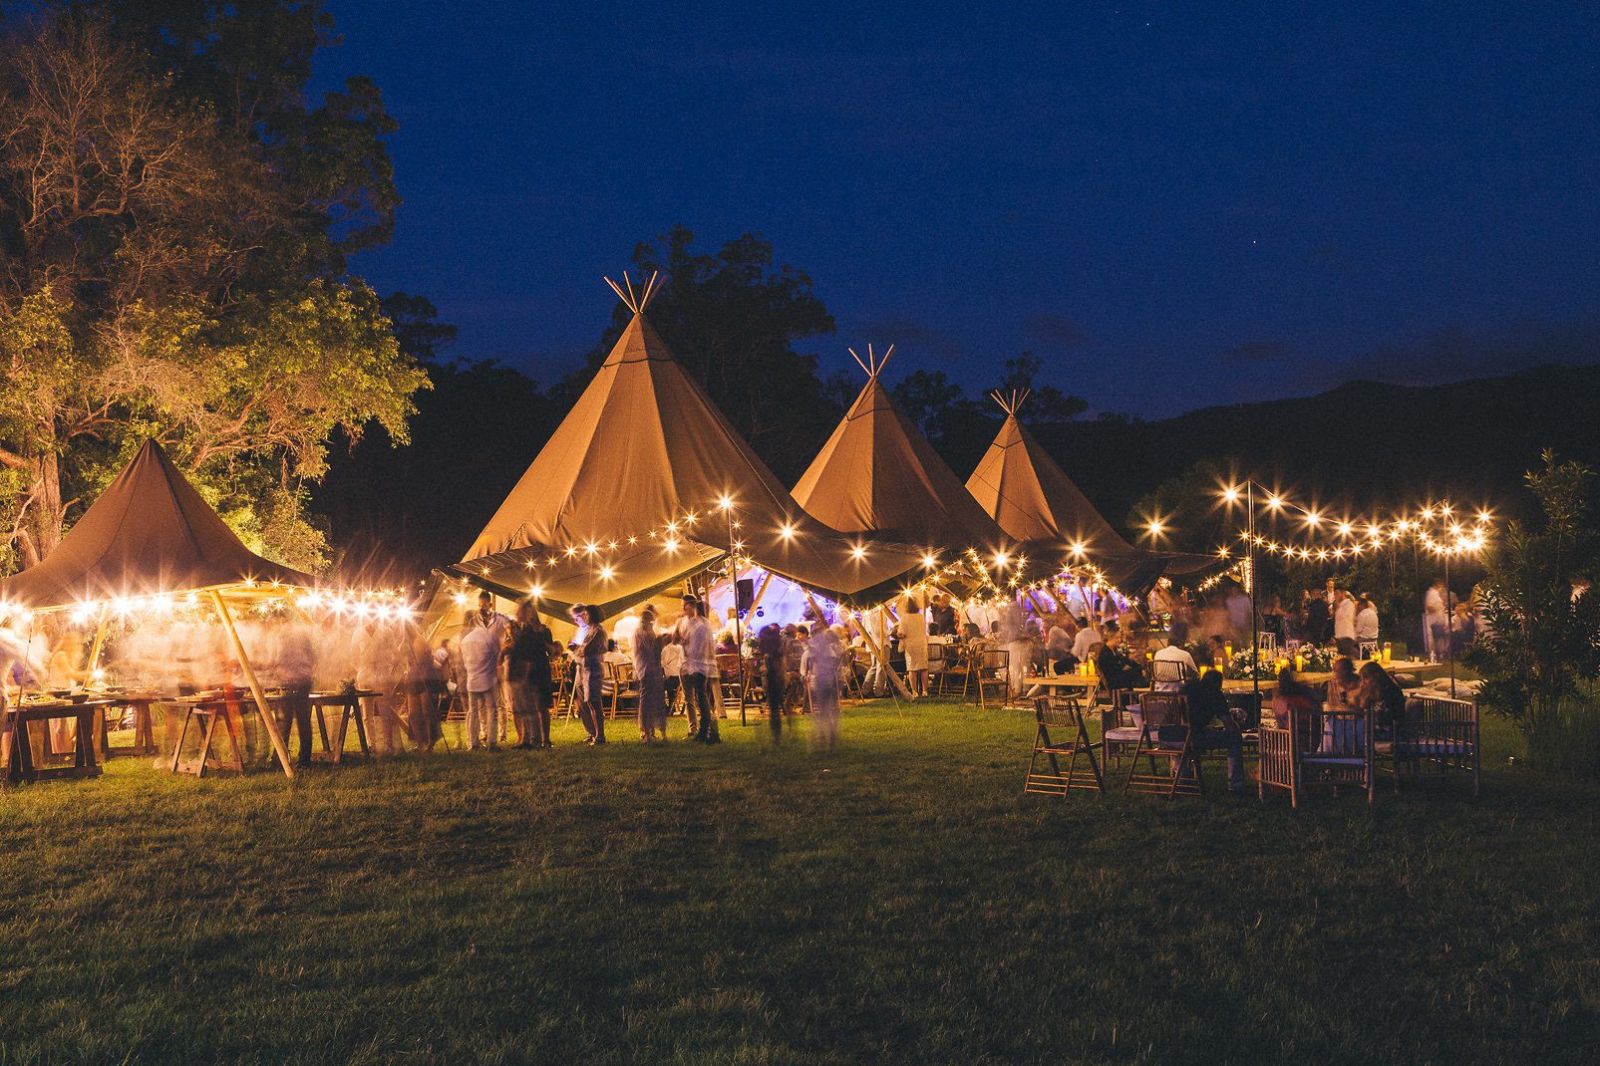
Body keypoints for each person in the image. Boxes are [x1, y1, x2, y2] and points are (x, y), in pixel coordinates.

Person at [1180, 670, 1247, 793]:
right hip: (1190, 738)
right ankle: (1235, 784)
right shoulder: (1214, 692)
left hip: (1167, 737)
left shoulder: (1186, 688)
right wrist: (1237, 726)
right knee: (1234, 738)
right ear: (1219, 684)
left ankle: (1183, 778)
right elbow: (1229, 726)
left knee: (1195, 733)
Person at [506, 600, 554, 749]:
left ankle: (542, 739)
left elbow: (551, 652)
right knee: (522, 707)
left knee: (540, 706)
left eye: (520, 610)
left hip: (537, 670)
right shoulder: (515, 629)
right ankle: (524, 738)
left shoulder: (541, 630)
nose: (517, 613)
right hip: (520, 671)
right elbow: (514, 649)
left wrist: (542, 642)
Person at [356, 619, 408, 757]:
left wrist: (390, 672)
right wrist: (358, 668)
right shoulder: (358, 632)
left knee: (386, 712)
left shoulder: (386, 631)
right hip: (364, 676)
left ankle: (388, 744)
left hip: (382, 676)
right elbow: (352, 655)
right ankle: (370, 744)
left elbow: (395, 654)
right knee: (367, 714)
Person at [674, 595, 717, 743]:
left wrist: (686, 644)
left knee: (702, 698)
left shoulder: (702, 625)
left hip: (698, 666)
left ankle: (706, 731)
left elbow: (698, 649)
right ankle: (699, 730)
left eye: (685, 606)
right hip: (690, 665)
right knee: (694, 699)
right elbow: (677, 640)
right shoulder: (688, 623)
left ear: (693, 607)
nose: (683, 609)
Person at [458, 611, 501, 750]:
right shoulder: (489, 638)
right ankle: (492, 742)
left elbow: (464, 661)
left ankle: (473, 742)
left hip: (472, 678)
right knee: (491, 710)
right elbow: (496, 656)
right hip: (488, 678)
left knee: (473, 711)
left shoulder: (465, 640)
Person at [801, 620, 845, 749]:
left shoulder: (813, 646)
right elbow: (836, 660)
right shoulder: (830, 645)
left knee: (823, 708)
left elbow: (807, 665)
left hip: (821, 678)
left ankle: (823, 735)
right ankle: (830, 732)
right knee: (831, 707)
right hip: (831, 678)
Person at [569, 604, 607, 745]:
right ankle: (596, 734)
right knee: (590, 702)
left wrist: (577, 649)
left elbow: (586, 649)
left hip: (593, 669)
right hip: (587, 669)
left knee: (594, 702)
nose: (584, 617)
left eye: (586, 614)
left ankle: (600, 735)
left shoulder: (598, 631)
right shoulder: (590, 630)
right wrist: (579, 649)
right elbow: (582, 649)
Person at [633, 606, 667, 743]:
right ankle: (646, 731)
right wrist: (663, 639)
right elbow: (653, 648)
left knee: (651, 701)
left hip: (648, 669)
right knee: (647, 701)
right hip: (647, 670)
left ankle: (649, 730)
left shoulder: (642, 630)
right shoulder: (643, 631)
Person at [1356, 660, 1407, 739]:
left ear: (1376, 676)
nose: (1363, 683)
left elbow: (1390, 718)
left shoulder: (1392, 692)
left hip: (1389, 732)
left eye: (1366, 678)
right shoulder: (1368, 693)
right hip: (1372, 731)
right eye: (1361, 680)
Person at [756, 622, 785, 741]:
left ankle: (776, 735)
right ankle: (777, 734)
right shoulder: (777, 653)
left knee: (774, 709)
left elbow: (766, 671)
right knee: (776, 708)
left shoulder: (768, 656)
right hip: (779, 680)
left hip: (772, 680)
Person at [898, 595, 929, 698]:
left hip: (910, 645)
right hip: (921, 644)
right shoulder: (921, 617)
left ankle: (914, 692)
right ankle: (925, 691)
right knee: (924, 668)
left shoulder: (904, 618)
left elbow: (901, 633)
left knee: (912, 669)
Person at [1423, 578, 1449, 660]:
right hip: (1433, 620)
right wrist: (1439, 608)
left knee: (1440, 637)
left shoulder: (1437, 594)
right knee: (1435, 638)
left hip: (1439, 620)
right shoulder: (1431, 593)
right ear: (1438, 585)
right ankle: (1433, 654)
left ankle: (1440, 653)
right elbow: (1430, 607)